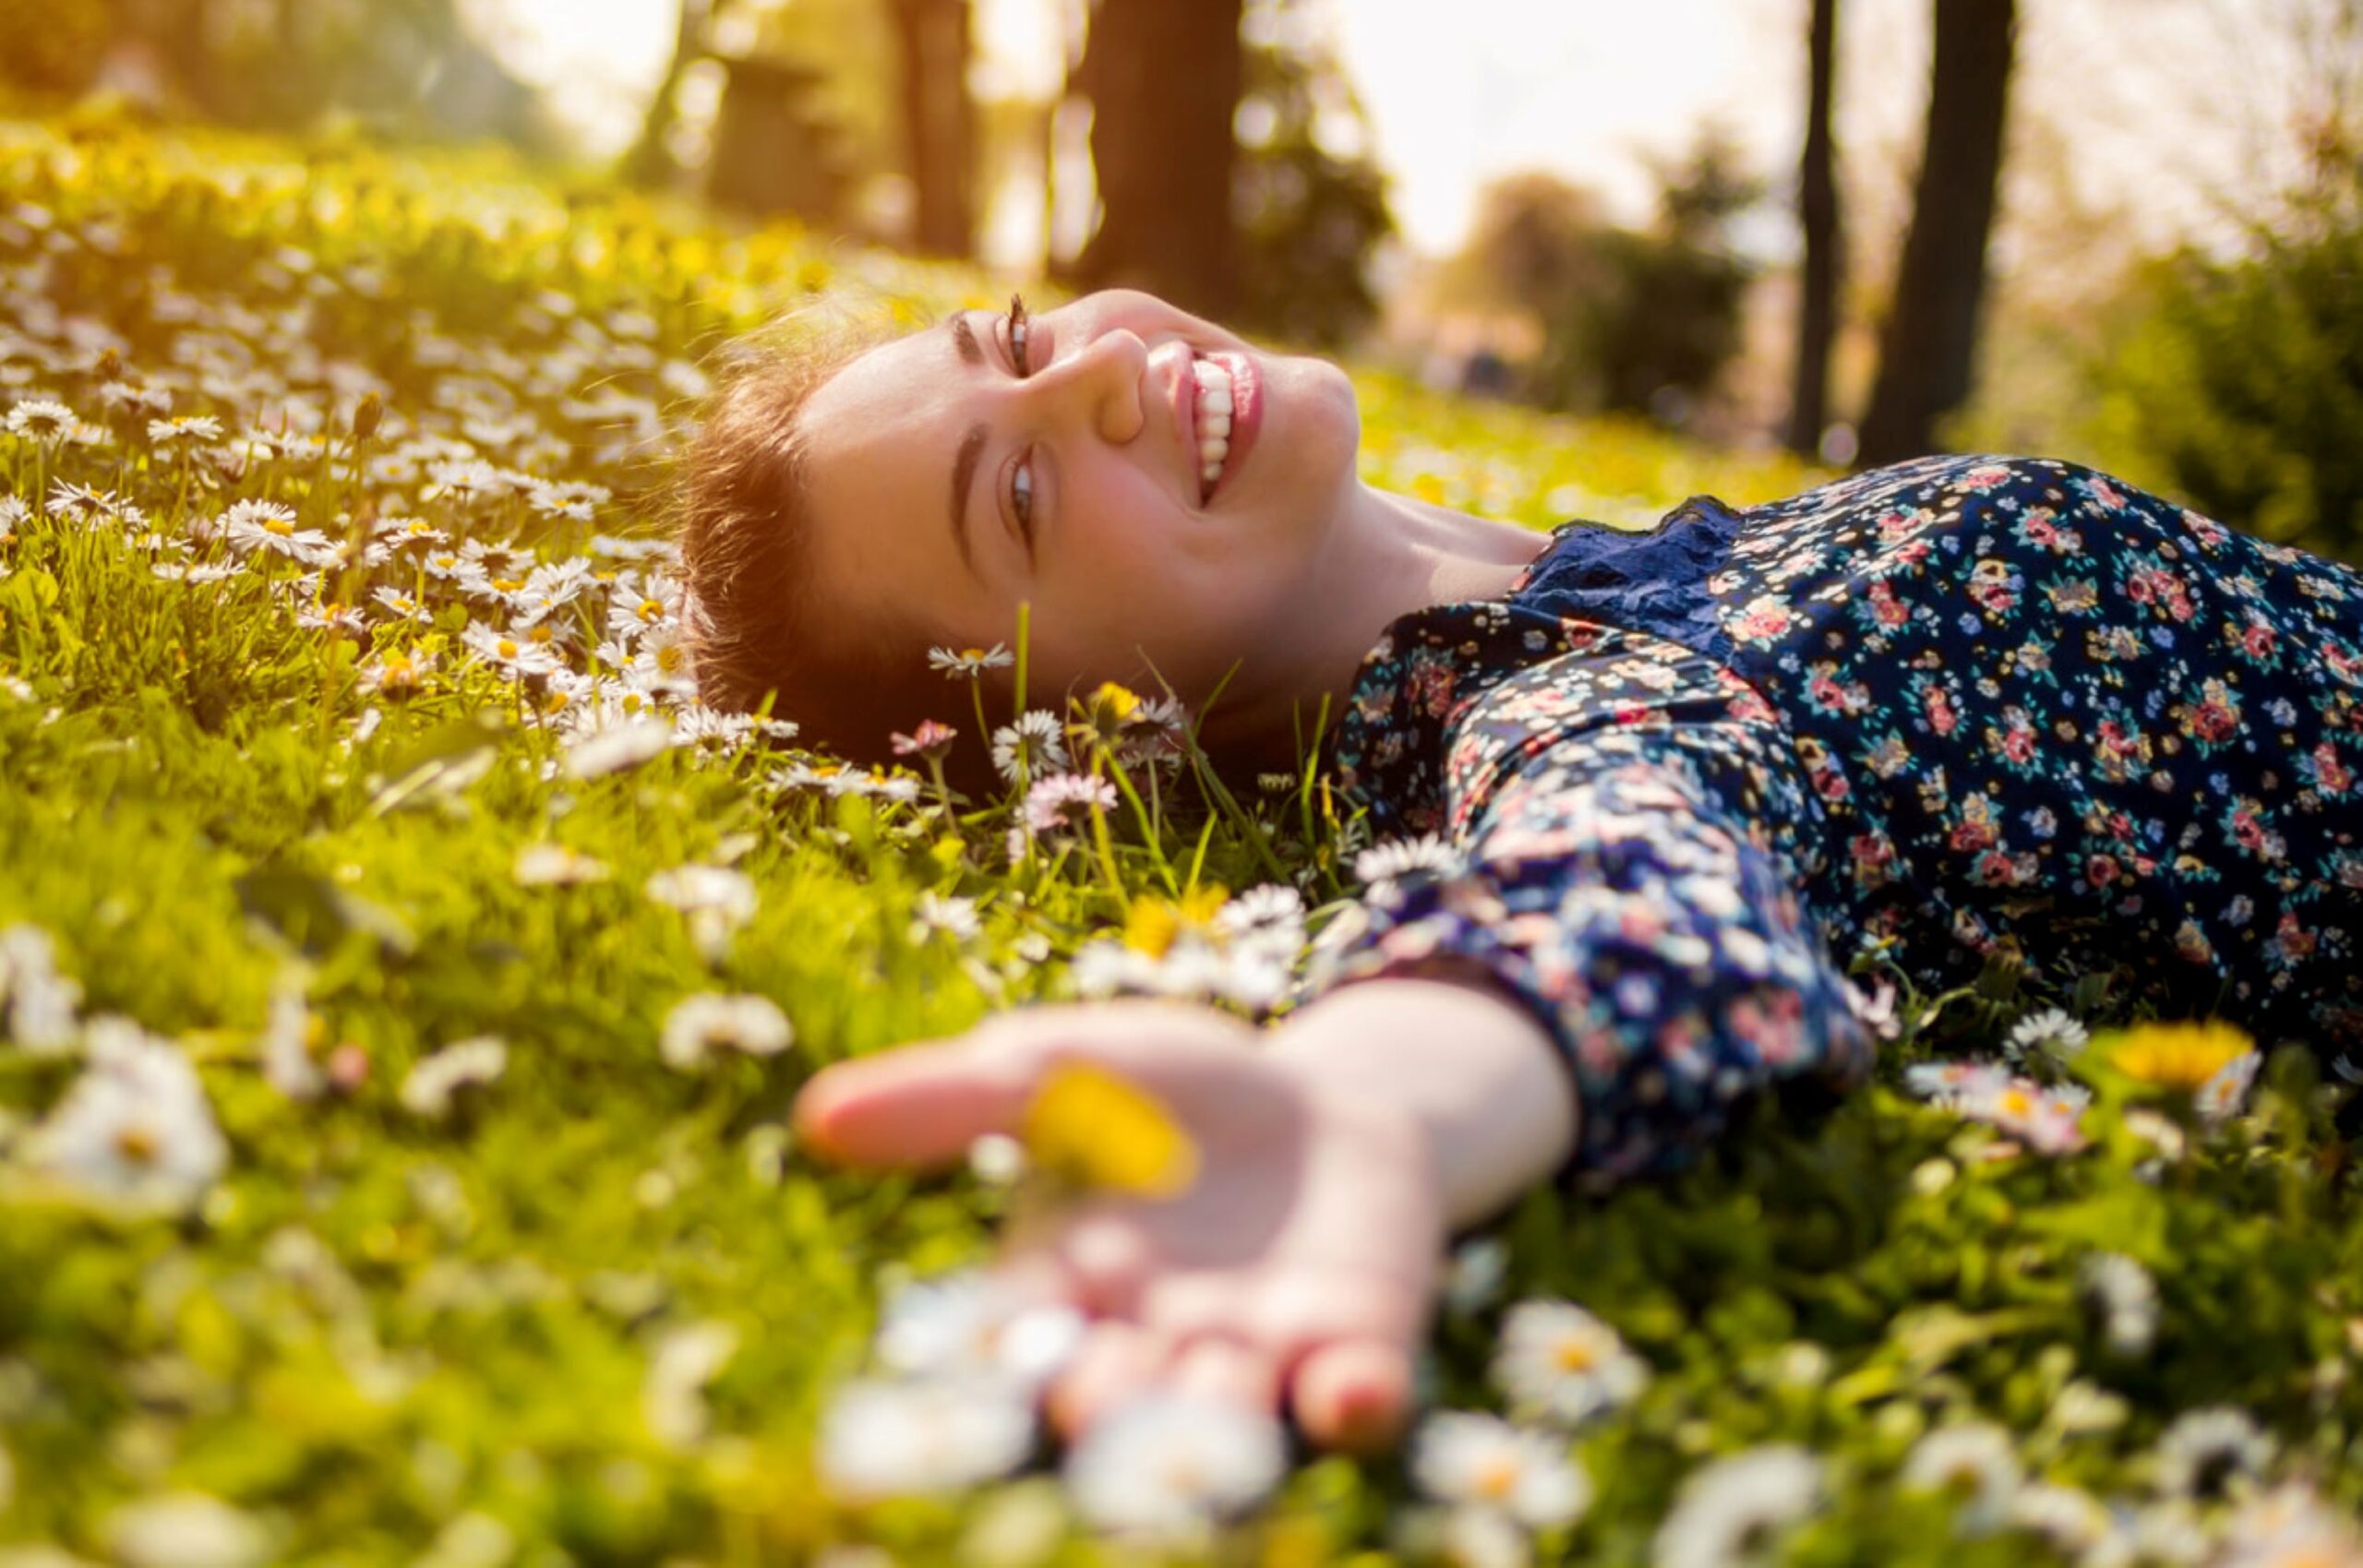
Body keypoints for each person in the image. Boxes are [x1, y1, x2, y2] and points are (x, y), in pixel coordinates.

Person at [672, 287, 2363, 1457]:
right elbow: (1617, 881)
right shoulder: (1576, 705)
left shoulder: (1618, 577)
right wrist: (1373, 1099)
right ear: (1101, 742)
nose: (1099, 380)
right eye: (1024, 490)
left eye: (1021, 343)